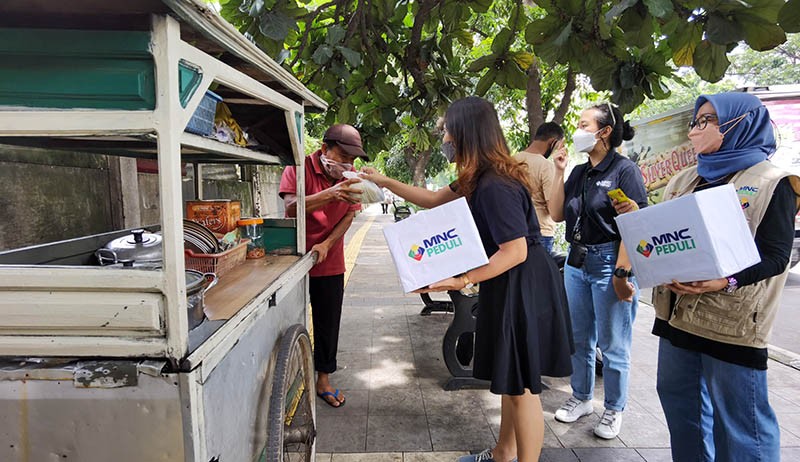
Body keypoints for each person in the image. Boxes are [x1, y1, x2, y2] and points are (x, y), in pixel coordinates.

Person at [360, 97, 573, 462]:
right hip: (508, 280)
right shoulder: (478, 178)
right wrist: (383, 181)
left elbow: (515, 251)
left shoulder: (495, 185)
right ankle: (503, 453)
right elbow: (431, 199)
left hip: (521, 283)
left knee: (523, 389)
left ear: (465, 133)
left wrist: (463, 280)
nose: (443, 137)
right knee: (511, 378)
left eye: (446, 130)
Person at [615, 92, 800, 461]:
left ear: (742, 123)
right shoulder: (686, 178)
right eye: (696, 121)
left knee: (741, 425)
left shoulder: (772, 182)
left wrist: (724, 281)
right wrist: (640, 220)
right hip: (678, 318)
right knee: (682, 411)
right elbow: (668, 235)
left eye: (709, 120)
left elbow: (776, 257)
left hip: (732, 325)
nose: (699, 129)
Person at [549, 103, 647, 439]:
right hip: (575, 264)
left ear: (604, 132)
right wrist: (559, 171)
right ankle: (581, 397)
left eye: (583, 124)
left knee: (614, 343)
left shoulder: (624, 171)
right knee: (580, 339)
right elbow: (558, 214)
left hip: (609, 263)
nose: (576, 131)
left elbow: (636, 226)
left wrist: (622, 274)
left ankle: (614, 408)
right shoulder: (578, 172)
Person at [279, 123, 367, 408]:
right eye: (342, 157)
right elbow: (292, 207)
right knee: (287, 320)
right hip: (293, 257)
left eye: (352, 160)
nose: (347, 165)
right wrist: (331, 194)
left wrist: (328, 244)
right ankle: (285, 376)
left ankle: (323, 380)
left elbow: (350, 216)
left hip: (329, 257)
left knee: (328, 321)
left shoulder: (353, 179)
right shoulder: (298, 168)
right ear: (325, 149)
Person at [514, 122, 564, 255]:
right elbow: (553, 209)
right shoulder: (546, 166)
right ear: (553, 143)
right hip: (541, 233)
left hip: (515, 232)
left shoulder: (511, 161)